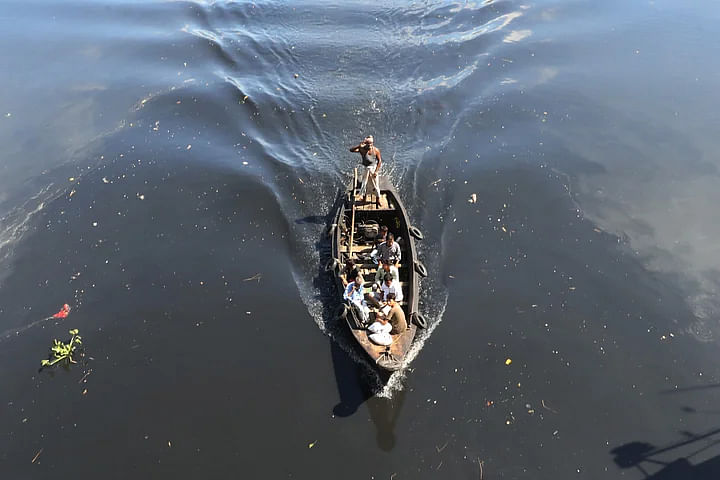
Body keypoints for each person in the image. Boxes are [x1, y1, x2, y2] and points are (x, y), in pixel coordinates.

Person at [349, 135, 382, 206]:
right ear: (365, 144)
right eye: (368, 144)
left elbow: (379, 161)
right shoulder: (362, 149)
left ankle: (378, 200)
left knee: (375, 185)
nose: (370, 145)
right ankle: (364, 200)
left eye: (371, 144)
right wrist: (358, 146)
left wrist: (376, 171)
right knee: (364, 184)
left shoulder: (376, 150)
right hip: (366, 169)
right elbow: (351, 150)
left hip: (373, 169)